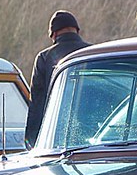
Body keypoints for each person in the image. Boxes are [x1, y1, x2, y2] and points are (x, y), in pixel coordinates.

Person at [24, 10, 90, 148]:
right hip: (93, 132)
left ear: (53, 34)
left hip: (56, 135)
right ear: (77, 31)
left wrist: (31, 140)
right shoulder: (94, 53)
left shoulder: (44, 58)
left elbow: (37, 101)